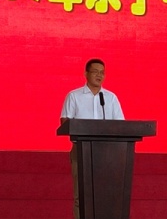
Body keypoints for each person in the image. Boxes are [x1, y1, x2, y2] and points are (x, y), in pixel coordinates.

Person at [60, 58, 124, 219]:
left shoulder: (110, 98)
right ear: (86, 74)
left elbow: (120, 125)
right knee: (80, 194)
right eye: (95, 72)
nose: (99, 75)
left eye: (102, 72)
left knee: (105, 193)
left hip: (106, 152)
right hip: (80, 150)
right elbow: (65, 122)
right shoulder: (74, 96)